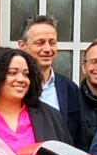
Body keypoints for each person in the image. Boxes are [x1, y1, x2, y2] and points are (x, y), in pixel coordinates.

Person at [17, 15, 82, 145]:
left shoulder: (69, 89)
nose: (47, 49)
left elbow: (77, 137)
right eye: (40, 43)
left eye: (52, 43)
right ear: (22, 46)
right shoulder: (12, 86)